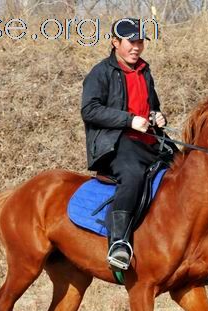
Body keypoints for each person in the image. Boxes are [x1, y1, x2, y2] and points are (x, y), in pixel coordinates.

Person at [80, 18, 167, 271]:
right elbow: (90, 110)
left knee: (185, 172)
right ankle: (118, 243)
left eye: (140, 42)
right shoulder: (100, 72)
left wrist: (157, 117)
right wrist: (128, 120)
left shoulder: (144, 71)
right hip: (116, 143)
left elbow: (153, 107)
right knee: (133, 175)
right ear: (115, 42)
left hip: (150, 141)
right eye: (131, 42)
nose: (136, 47)